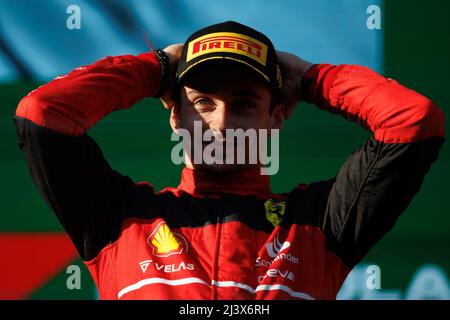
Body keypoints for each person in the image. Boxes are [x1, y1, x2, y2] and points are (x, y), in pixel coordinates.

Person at [14, 21, 445, 300]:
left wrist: (311, 79)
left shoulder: (320, 223)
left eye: (243, 103)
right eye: (202, 102)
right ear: (175, 115)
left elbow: (412, 122)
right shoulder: (119, 217)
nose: (221, 122)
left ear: (276, 118)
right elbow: (42, 115)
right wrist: (156, 68)